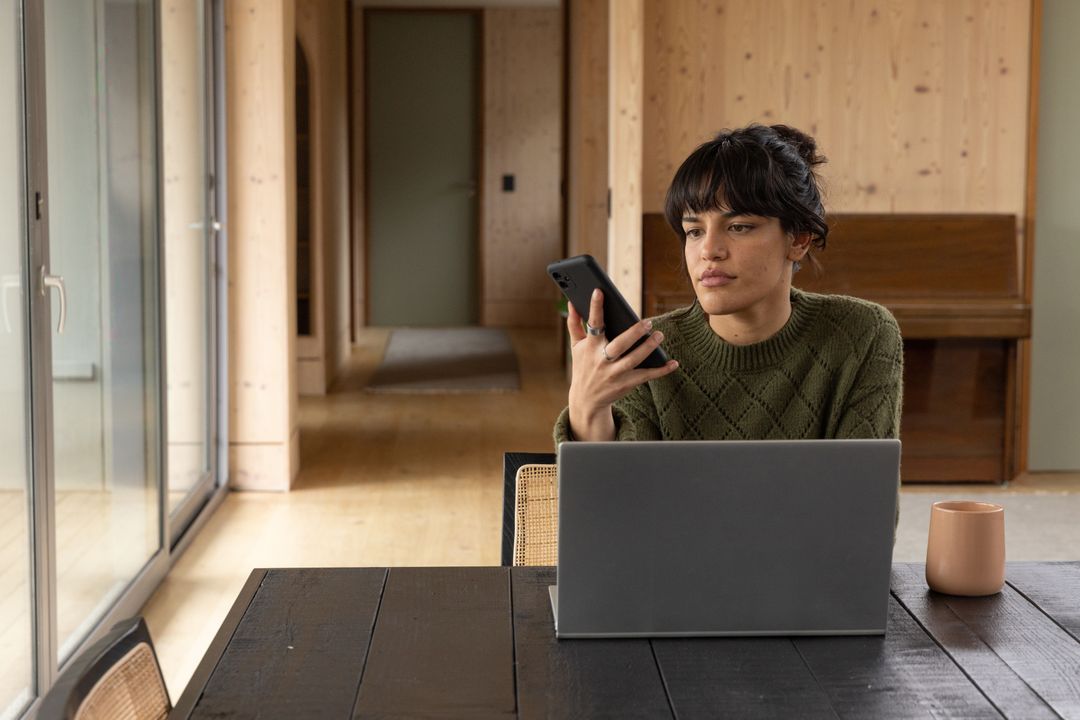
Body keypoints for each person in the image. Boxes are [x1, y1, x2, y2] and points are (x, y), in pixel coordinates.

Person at [554, 123, 903, 445]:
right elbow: (615, 504)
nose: (708, 251)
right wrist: (587, 409)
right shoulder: (648, 354)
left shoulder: (863, 334)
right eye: (694, 231)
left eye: (738, 227)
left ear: (798, 240)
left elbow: (864, 501)